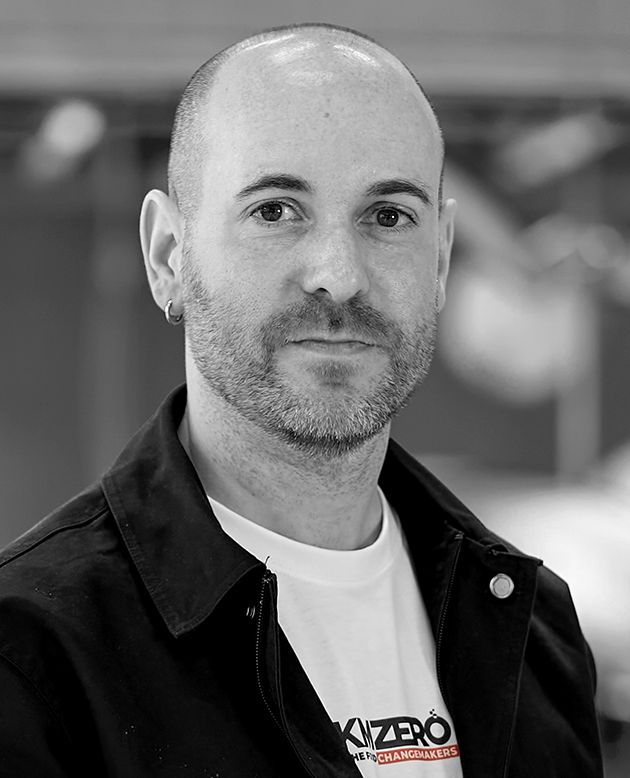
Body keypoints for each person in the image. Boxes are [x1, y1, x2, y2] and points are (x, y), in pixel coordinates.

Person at [0, 22, 603, 778]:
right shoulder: (32, 655)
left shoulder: (533, 630)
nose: (338, 275)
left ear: (441, 260)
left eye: (388, 217)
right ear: (167, 255)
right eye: (275, 210)